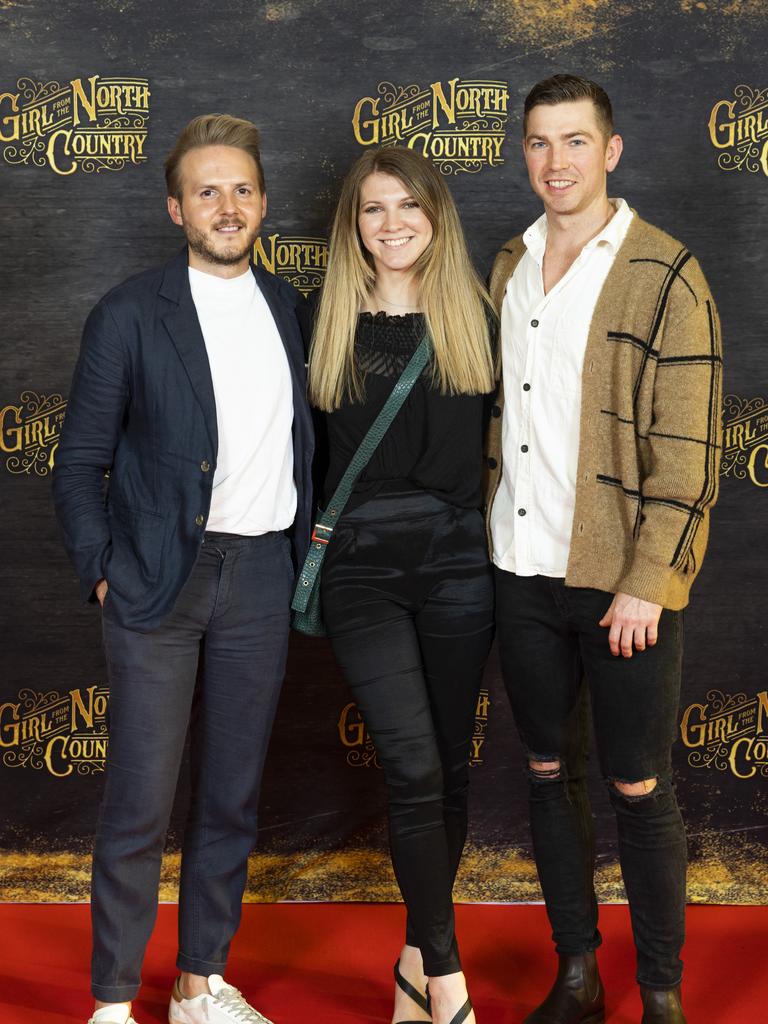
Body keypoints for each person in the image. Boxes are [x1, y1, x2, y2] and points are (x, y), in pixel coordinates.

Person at [52, 113, 313, 1024]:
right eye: (207, 191)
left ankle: (202, 983)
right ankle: (115, 1002)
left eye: (242, 189)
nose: (227, 206)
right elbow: (80, 460)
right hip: (158, 582)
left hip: (262, 580)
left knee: (232, 798)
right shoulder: (130, 312)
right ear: (175, 209)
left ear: (264, 203)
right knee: (138, 802)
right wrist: (101, 569)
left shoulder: (288, 307)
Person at [486, 74, 722, 1024]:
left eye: (576, 142)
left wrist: (649, 582)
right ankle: (577, 973)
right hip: (518, 571)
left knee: (638, 785)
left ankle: (660, 992)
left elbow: (691, 447)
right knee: (548, 776)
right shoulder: (508, 262)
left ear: (611, 151)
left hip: (621, 587)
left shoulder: (666, 270)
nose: (557, 162)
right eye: (541, 143)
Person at [308, 146, 496, 1024]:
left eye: (408, 206)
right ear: (353, 226)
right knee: (414, 764)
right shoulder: (322, 326)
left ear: (435, 215)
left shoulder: (482, 320)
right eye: (374, 209)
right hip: (363, 570)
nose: (393, 224)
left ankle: (417, 960)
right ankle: (450, 984)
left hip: (463, 563)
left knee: (450, 769)